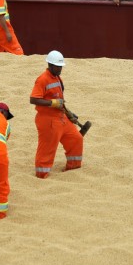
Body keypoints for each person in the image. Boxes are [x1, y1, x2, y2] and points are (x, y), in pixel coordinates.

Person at [29, 50, 83, 178]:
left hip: (61, 117)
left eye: (61, 67)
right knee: (47, 148)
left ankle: (73, 167)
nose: (60, 69)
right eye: (57, 67)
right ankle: (42, 173)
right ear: (50, 65)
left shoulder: (58, 78)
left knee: (76, 139)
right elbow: (33, 99)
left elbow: (60, 100)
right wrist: (52, 103)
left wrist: (68, 113)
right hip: (48, 120)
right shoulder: (42, 80)